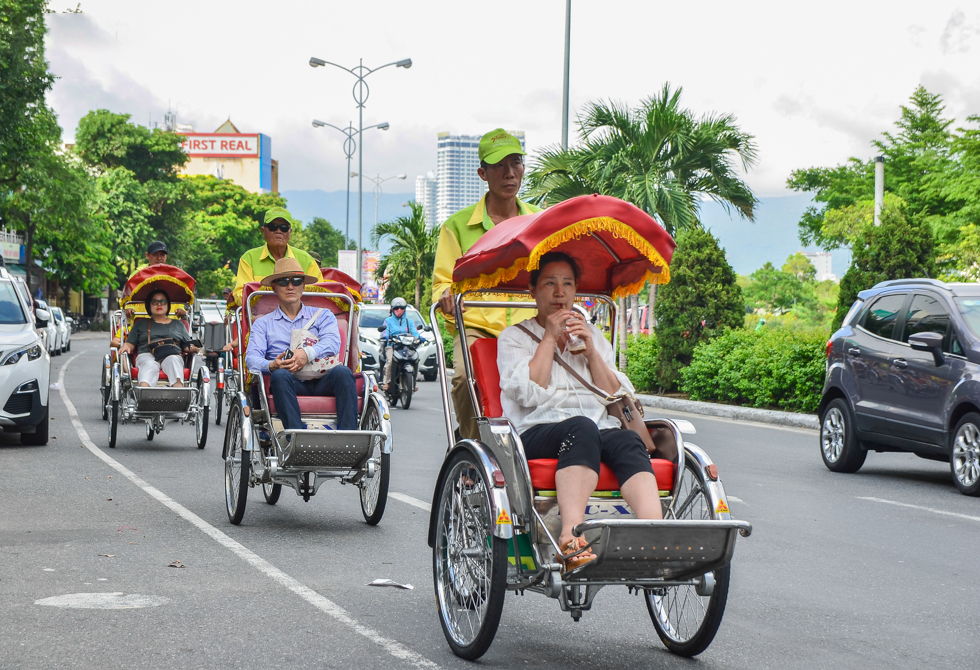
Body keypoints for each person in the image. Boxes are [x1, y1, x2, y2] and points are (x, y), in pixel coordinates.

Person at [497, 252, 663, 571]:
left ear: (576, 291)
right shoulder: (515, 337)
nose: (560, 292)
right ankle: (571, 539)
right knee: (582, 427)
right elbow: (528, 392)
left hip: (594, 430)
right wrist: (548, 337)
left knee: (627, 442)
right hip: (535, 431)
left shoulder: (593, 337)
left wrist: (591, 354)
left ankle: (654, 536)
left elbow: (616, 394)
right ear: (532, 290)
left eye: (567, 284)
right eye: (550, 283)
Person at [432, 128, 541, 439]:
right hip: (477, 326)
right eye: (498, 166)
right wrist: (448, 297)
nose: (509, 173)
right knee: (465, 379)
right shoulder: (456, 227)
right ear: (482, 173)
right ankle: (470, 446)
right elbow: (443, 283)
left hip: (530, 324)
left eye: (515, 163)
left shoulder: (539, 223)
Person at [244, 257, 357, 431]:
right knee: (280, 375)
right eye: (283, 281)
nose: (290, 286)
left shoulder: (323, 315)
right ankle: (295, 436)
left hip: (322, 379)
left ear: (303, 286)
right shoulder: (263, 323)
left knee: (343, 372)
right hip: (288, 382)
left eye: (296, 281)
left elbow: (333, 343)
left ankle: (349, 438)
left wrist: (307, 353)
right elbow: (251, 359)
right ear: (274, 287)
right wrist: (272, 365)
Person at [232, 206, 323, 310]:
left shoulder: (306, 259)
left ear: (290, 232)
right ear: (263, 230)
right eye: (273, 227)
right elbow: (240, 297)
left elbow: (320, 294)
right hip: (259, 319)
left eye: (284, 228)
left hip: (302, 321)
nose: (278, 231)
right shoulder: (249, 258)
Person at [118, 289, 199, 388]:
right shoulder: (140, 324)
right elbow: (130, 344)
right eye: (155, 302)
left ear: (168, 305)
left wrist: (193, 348)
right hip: (147, 354)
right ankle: (145, 395)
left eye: (163, 302)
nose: (159, 305)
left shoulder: (178, 324)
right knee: (149, 364)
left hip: (171, 354)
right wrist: (125, 346)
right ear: (149, 305)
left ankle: (178, 396)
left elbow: (187, 345)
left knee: (173, 360)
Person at [122, 241, 187, 319]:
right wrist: (129, 308)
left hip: (169, 325)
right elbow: (127, 297)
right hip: (142, 323)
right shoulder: (138, 274)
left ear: (166, 256)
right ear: (147, 255)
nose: (159, 258)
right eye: (155, 255)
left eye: (162, 255)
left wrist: (181, 309)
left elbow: (178, 296)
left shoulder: (174, 275)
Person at [381, 297, 420, 390]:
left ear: (405, 309)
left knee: (416, 359)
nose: (399, 310)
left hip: (406, 346)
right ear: (392, 309)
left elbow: (415, 332)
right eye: (396, 308)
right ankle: (387, 382)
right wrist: (386, 336)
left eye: (401, 308)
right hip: (392, 345)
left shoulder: (409, 322)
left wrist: (419, 337)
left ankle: (413, 383)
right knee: (390, 361)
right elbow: (385, 331)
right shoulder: (388, 321)